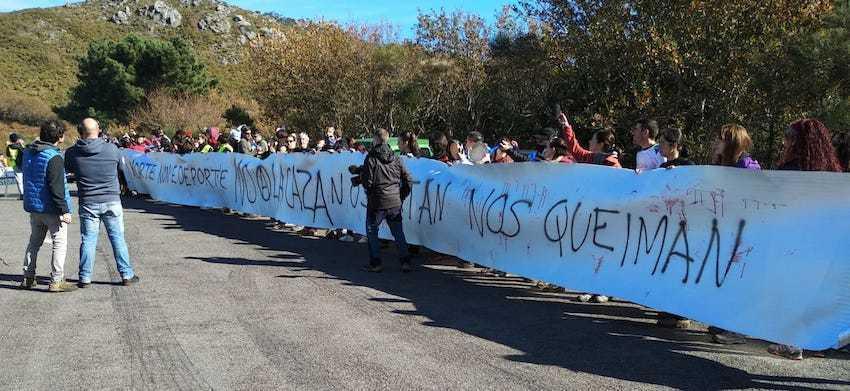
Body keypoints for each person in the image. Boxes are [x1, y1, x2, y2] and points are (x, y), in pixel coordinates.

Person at [767, 118, 843, 360]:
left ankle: (791, 344)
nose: (784, 142)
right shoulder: (832, 174)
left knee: (790, 291)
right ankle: (814, 342)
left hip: (793, 241)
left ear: (796, 142)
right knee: (812, 294)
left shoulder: (791, 170)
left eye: (788, 137)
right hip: (821, 244)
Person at [65, 118, 139, 287]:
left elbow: (68, 170)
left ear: (80, 132)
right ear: (98, 130)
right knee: (117, 238)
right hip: (111, 199)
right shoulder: (112, 149)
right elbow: (121, 169)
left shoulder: (72, 153)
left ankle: (84, 277)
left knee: (88, 240)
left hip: (88, 201)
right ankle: (126, 275)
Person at [19, 120, 76, 292]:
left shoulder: (28, 152)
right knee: (59, 243)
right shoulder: (54, 157)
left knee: (34, 242)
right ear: (60, 136)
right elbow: (56, 187)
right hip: (52, 209)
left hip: (34, 206)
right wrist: (64, 210)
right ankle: (56, 280)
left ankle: (28, 277)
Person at [360, 128, 414, 273]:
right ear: (387, 139)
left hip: (377, 202)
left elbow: (367, 182)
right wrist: (400, 196)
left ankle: (376, 263)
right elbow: (408, 180)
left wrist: (371, 195)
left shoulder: (371, 158)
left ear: (376, 140)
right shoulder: (396, 158)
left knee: (372, 232)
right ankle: (405, 262)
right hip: (394, 201)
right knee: (398, 233)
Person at [5, 133, 25, 199]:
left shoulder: (9, 147)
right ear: (17, 139)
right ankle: (26, 194)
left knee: (19, 180)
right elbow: (25, 152)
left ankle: (22, 195)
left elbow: (8, 155)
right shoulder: (20, 146)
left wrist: (8, 145)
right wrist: (22, 144)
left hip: (15, 164)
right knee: (24, 179)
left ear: (10, 140)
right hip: (23, 164)